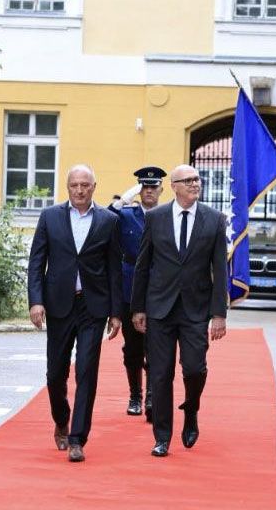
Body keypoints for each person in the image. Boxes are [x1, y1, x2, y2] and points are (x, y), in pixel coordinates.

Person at [26, 164, 123, 463]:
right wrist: (36, 301)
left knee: (86, 371)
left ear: (94, 186)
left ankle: (78, 437)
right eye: (74, 186)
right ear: (67, 188)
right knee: (55, 373)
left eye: (85, 185)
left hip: (93, 306)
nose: (79, 190)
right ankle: (61, 419)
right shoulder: (50, 217)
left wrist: (116, 312)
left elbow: (114, 269)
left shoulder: (109, 220)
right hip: (57, 305)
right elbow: (36, 263)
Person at [131, 164, 229, 457]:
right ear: (173, 186)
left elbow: (219, 269)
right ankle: (162, 436)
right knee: (160, 375)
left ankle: (191, 409)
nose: (195, 184)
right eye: (188, 180)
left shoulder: (214, 219)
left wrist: (219, 314)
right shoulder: (157, 218)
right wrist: (138, 308)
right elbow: (143, 264)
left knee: (195, 369)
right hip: (159, 308)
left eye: (197, 179)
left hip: (195, 309)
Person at [109, 166, 166, 419]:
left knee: (157, 346)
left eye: (153, 187)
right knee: (132, 348)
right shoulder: (127, 215)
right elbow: (104, 218)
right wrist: (123, 200)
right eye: (144, 187)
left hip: (159, 287)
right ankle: (136, 395)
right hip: (130, 286)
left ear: (162, 190)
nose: (149, 191)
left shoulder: (167, 215)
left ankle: (153, 396)